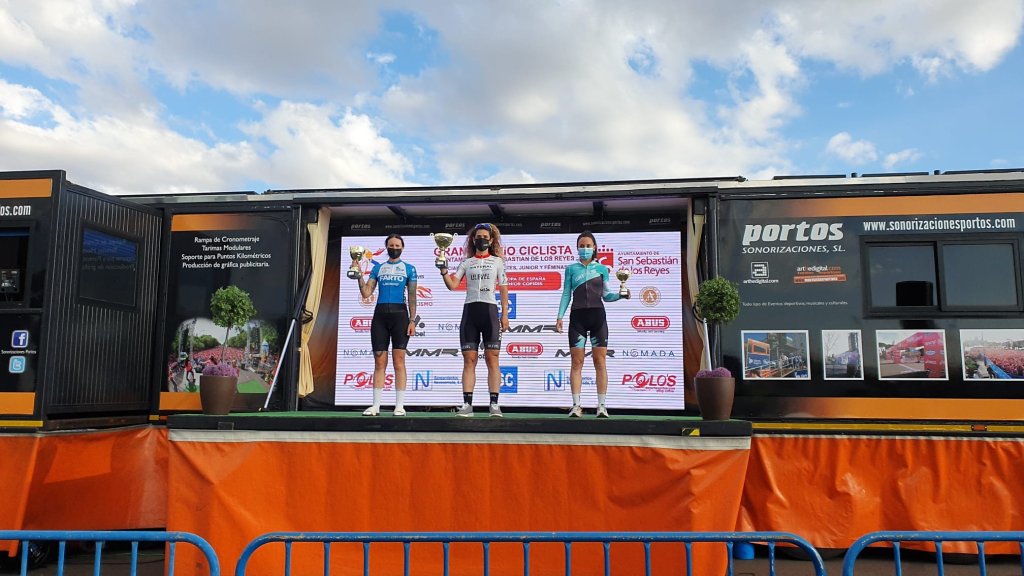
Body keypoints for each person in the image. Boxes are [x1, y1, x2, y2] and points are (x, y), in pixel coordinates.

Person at [555, 231, 628, 418]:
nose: (585, 248)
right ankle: (576, 406)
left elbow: (607, 295)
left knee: (600, 362)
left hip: (597, 317)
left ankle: (601, 406)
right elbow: (566, 293)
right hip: (577, 318)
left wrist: (621, 295)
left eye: (588, 246)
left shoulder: (602, 269)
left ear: (594, 248)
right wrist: (559, 316)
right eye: (582, 245)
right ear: (577, 248)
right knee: (576, 362)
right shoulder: (571, 269)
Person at [439, 223, 510, 417]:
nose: (482, 240)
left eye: (485, 237)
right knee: (469, 360)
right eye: (479, 237)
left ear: (491, 240)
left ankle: (494, 404)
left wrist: (504, 314)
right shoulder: (466, 262)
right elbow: (453, 285)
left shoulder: (497, 262)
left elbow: (503, 288)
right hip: (470, 312)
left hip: (490, 312)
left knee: (492, 359)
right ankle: (467, 405)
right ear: (473, 240)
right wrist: (444, 271)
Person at [352, 234, 417, 416]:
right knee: (379, 361)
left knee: (399, 361)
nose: (394, 248)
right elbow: (366, 293)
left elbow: (412, 296)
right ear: (386, 247)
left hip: (400, 317)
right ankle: (375, 406)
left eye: (397, 245)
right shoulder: (378, 268)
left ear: (402, 248)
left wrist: (412, 320)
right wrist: (359, 275)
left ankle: (399, 406)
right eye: (391, 245)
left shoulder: (409, 269)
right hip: (380, 316)